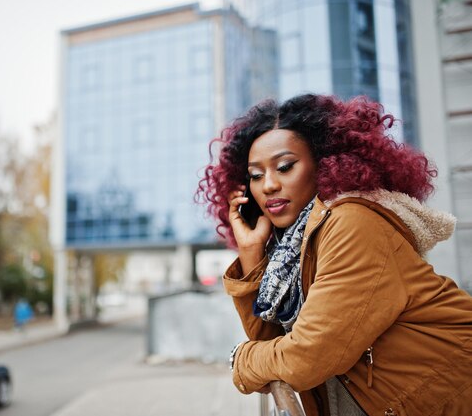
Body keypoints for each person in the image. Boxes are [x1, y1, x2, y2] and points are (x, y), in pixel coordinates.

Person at [196, 94, 472, 416]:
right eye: (256, 175)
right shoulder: (292, 252)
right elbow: (275, 339)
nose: (268, 185)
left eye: (285, 167)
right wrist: (251, 253)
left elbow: (305, 359)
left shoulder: (352, 222)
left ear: (324, 163)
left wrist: (240, 359)